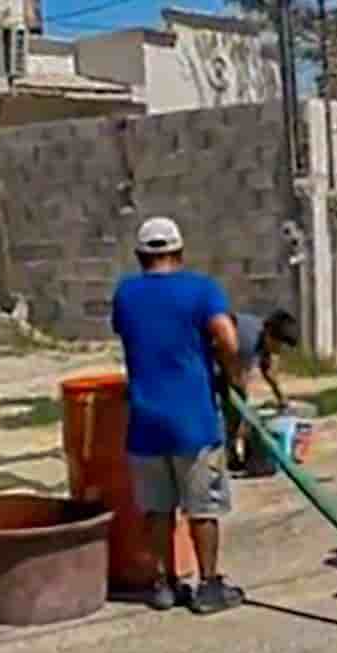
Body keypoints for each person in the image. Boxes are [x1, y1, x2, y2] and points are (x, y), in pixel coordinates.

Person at [111, 216, 244, 615]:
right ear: (180, 253)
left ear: (140, 256)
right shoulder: (202, 290)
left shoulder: (125, 294)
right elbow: (228, 336)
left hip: (146, 420)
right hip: (194, 421)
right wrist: (231, 374)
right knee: (202, 507)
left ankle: (164, 584)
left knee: (157, 508)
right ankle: (207, 585)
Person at [219, 310, 300, 473]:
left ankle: (231, 453)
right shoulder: (248, 338)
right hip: (212, 357)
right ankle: (227, 455)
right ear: (270, 334)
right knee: (233, 408)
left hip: (227, 362)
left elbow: (268, 370)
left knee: (238, 406)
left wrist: (281, 398)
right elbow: (235, 374)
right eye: (279, 345)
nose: (279, 351)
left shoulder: (264, 339)